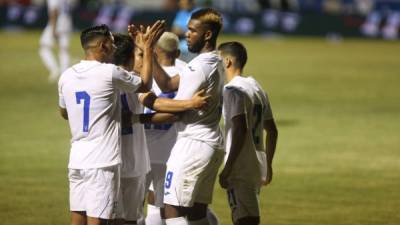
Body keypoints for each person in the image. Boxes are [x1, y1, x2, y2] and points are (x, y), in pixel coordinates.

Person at [58, 22, 164, 225]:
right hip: (102, 162)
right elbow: (144, 85)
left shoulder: (66, 75)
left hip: (77, 159)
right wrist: (148, 48)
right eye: (113, 44)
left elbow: (64, 112)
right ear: (103, 46)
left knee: (77, 219)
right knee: (99, 221)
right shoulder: (110, 73)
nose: (116, 49)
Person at [112, 32, 210, 225]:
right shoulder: (184, 70)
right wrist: (190, 104)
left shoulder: (117, 78)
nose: (142, 60)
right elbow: (160, 104)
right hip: (162, 152)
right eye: (140, 55)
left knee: (131, 213)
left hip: (126, 157)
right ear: (178, 52)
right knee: (160, 206)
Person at [151, 8, 225, 225]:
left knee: (172, 212)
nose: (187, 34)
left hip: (192, 144)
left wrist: (147, 107)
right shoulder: (216, 60)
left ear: (208, 34)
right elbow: (166, 83)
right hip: (211, 142)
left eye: (192, 31)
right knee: (197, 214)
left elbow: (178, 111)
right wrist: (149, 51)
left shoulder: (198, 67)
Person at [218, 41, 278, 225]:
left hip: (240, 166)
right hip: (256, 165)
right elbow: (273, 131)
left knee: (245, 219)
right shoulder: (256, 87)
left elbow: (240, 129)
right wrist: (268, 165)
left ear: (227, 61)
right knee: (248, 216)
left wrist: (227, 168)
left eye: (217, 61)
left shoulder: (231, 90)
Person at [143, 31, 185, 225]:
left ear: (156, 50)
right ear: (177, 53)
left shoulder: (143, 70)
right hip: (173, 150)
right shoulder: (186, 71)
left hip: (141, 149)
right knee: (165, 204)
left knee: (135, 207)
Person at [39, 0, 72, 82]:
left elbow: (54, 11)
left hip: (57, 22)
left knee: (44, 47)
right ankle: (65, 74)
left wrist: (53, 28)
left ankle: (55, 69)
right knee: (63, 49)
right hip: (66, 20)